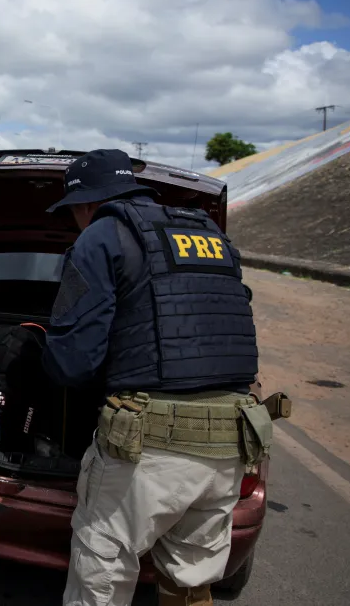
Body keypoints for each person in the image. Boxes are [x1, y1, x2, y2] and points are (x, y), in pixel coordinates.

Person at [40, 149, 267, 606]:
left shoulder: (101, 233)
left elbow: (74, 362)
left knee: (102, 577)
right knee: (190, 579)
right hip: (230, 440)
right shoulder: (212, 235)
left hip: (150, 450)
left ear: (86, 204)